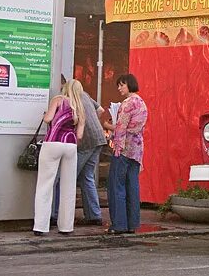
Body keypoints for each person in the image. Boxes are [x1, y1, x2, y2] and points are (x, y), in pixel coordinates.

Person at [33, 79, 86, 236]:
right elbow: (80, 134)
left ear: (66, 88)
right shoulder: (80, 108)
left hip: (53, 143)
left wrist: (45, 115)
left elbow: (48, 119)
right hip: (70, 146)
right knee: (69, 187)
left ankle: (41, 226)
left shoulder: (58, 100)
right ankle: (66, 227)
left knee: (45, 185)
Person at [51, 83, 108, 226]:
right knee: (86, 177)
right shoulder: (85, 95)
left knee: (65, 178)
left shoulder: (67, 99)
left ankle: (56, 215)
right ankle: (94, 215)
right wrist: (91, 119)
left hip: (85, 142)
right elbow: (101, 110)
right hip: (99, 139)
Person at [102, 74, 147, 234]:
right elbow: (136, 128)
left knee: (117, 186)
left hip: (124, 149)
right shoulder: (142, 102)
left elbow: (121, 128)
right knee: (132, 186)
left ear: (129, 85)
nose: (119, 88)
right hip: (137, 150)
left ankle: (119, 224)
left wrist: (108, 126)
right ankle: (132, 224)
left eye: (122, 85)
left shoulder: (127, 103)